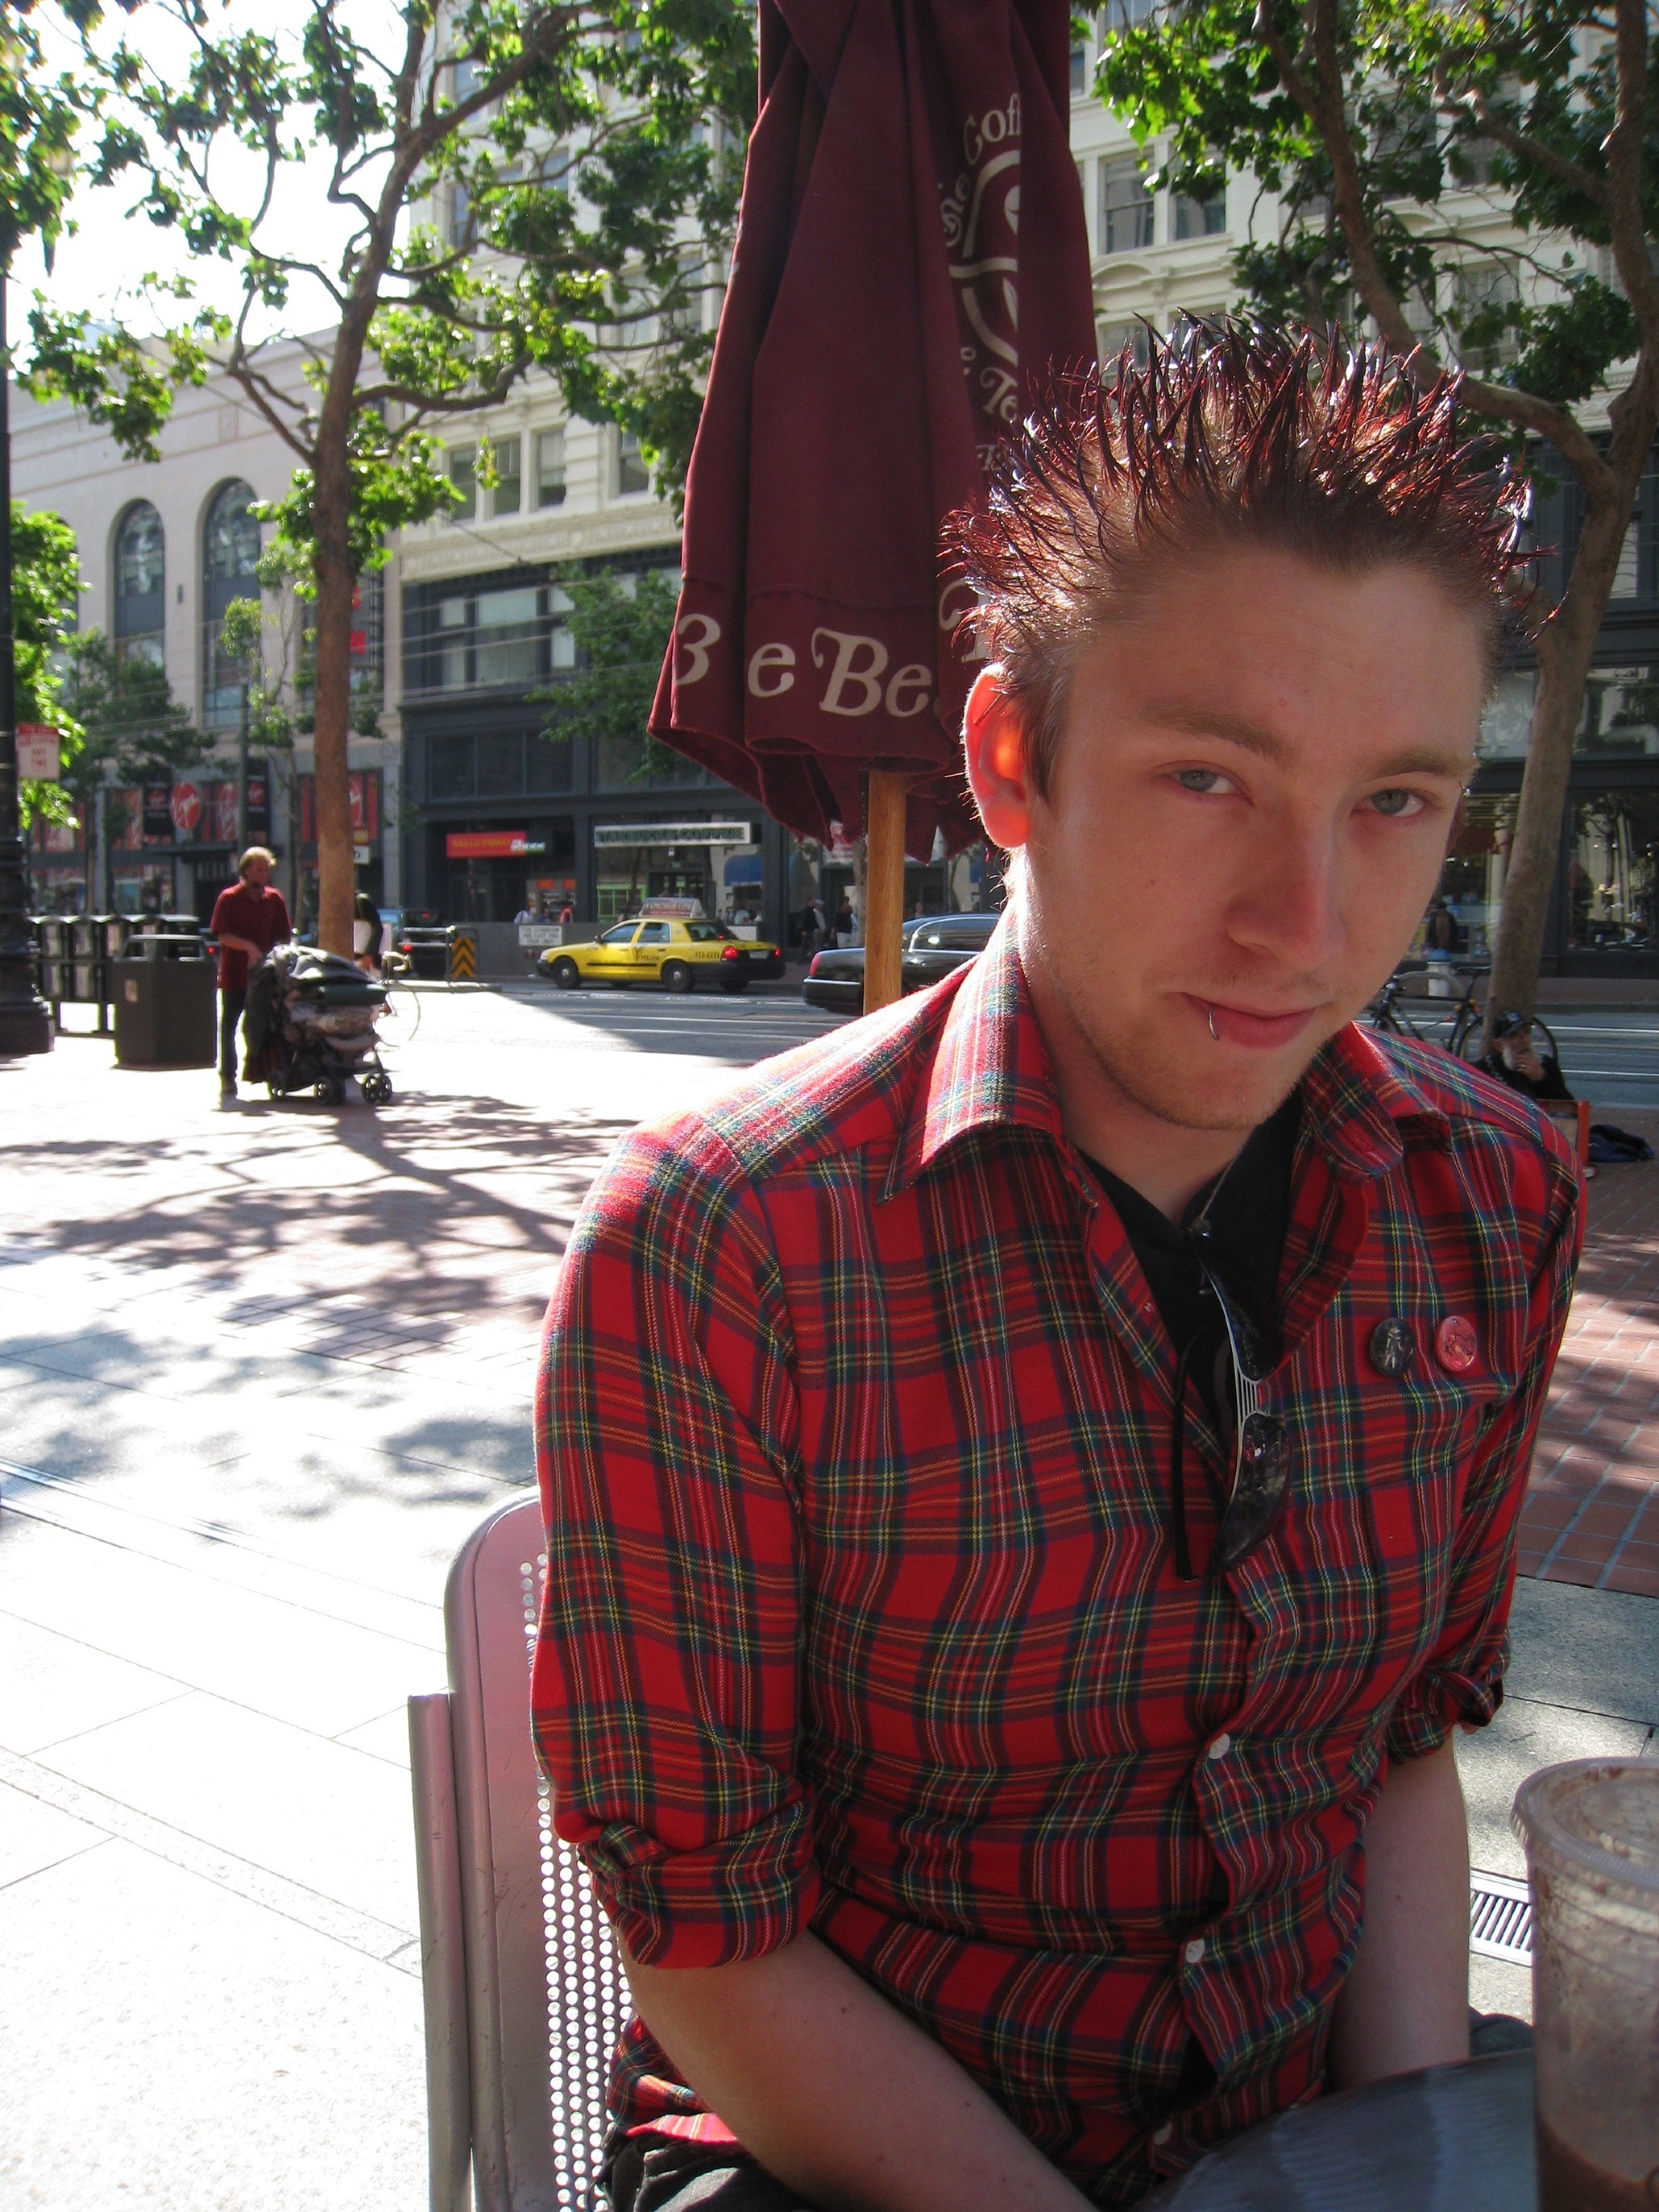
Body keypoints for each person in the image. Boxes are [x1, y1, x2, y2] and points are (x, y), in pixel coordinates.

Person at [533, 326, 1583, 2212]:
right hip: (833, 2149)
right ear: (1012, 760)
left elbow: (1399, 1747)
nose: (1305, 926)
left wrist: (1402, 2155)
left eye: (1392, 803)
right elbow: (707, 1936)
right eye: (1207, 779)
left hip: (1303, 2116)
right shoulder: (727, 1241)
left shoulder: (1489, 1196)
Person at [209, 847, 291, 1098]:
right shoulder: (229, 898)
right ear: (246, 871)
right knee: (229, 1026)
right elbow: (222, 935)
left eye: (267, 870)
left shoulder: (274, 899)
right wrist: (247, 947)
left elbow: (284, 936)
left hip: (264, 977)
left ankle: (265, 1070)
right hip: (235, 975)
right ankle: (227, 1076)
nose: (264, 874)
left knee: (264, 1025)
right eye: (259, 870)